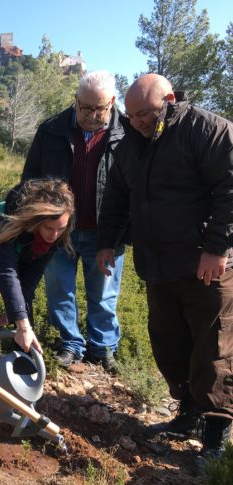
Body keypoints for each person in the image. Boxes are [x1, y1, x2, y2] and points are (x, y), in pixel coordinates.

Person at [97, 74, 233, 464]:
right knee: (169, 344)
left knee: (214, 349)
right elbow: (118, 197)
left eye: (146, 113)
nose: (138, 121)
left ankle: (215, 438)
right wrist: (108, 242)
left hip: (207, 264)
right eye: (132, 115)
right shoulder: (130, 144)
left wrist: (217, 247)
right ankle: (187, 416)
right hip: (158, 265)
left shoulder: (209, 130)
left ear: (170, 99)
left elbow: (230, 189)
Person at [22, 70, 126, 373]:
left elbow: (137, 187)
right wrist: (36, 223)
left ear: (112, 103)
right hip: (59, 230)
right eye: (85, 107)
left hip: (106, 233)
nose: (92, 115)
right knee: (59, 289)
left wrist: (124, 233)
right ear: (76, 100)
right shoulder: (51, 130)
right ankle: (70, 345)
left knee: (105, 294)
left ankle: (103, 348)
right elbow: (30, 180)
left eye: (100, 108)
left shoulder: (127, 133)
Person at [0, 179, 74, 353]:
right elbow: (7, 271)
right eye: (49, 228)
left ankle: (22, 364)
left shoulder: (57, 233)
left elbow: (29, 280)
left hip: (10, 255)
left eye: (60, 229)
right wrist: (22, 324)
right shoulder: (7, 221)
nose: (54, 235)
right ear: (37, 221)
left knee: (24, 307)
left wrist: (17, 313)